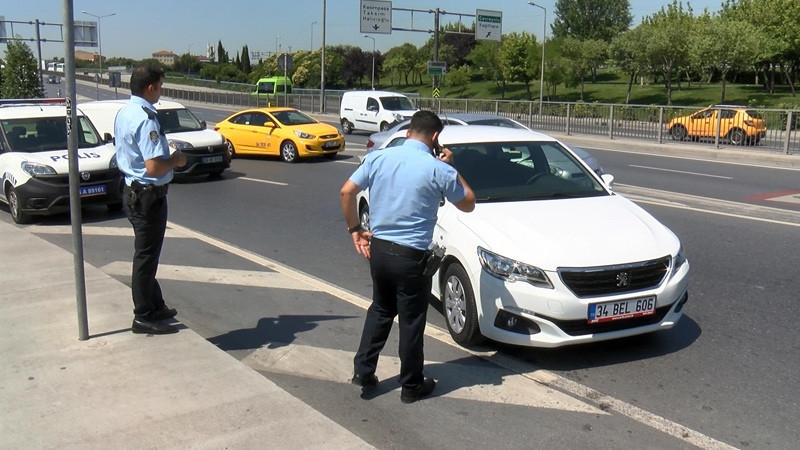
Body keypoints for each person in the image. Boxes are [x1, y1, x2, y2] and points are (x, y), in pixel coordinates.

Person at [340, 110, 476, 403]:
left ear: (407, 132)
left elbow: (346, 192)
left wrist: (355, 229)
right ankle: (411, 386)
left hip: (379, 251)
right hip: (411, 257)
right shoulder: (438, 168)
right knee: (412, 320)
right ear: (436, 138)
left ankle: (363, 371)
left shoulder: (378, 158)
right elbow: (468, 202)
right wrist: (452, 167)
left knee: (380, 308)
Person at [115, 65, 187, 335]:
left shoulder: (125, 112)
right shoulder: (146, 118)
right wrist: (177, 160)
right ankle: (143, 315)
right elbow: (155, 166)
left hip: (133, 192)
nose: (161, 91)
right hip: (148, 197)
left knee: (148, 255)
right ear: (150, 88)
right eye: (160, 86)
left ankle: (155, 305)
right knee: (145, 258)